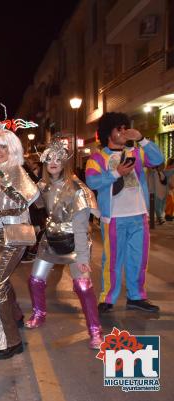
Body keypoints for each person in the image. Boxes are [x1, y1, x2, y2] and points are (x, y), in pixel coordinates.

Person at [25, 139, 102, 349]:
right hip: (50, 240)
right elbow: (33, 201)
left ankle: (95, 331)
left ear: (65, 163)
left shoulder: (79, 190)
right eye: (49, 158)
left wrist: (84, 259)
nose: (53, 162)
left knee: (84, 286)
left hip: (74, 244)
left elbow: (80, 228)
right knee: (35, 279)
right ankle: (39, 313)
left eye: (58, 158)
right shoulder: (43, 186)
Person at [85, 112, 163, 313]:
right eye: (118, 128)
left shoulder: (137, 152)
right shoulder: (97, 158)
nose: (123, 131)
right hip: (114, 219)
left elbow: (158, 159)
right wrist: (116, 173)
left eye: (124, 127)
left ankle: (136, 297)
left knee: (138, 258)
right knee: (112, 260)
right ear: (108, 132)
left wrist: (142, 139)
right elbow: (92, 181)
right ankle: (108, 298)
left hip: (139, 216)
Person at [0, 122, 39, 359]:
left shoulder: (14, 169)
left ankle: (11, 340)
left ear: (12, 148)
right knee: (0, 282)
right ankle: (14, 315)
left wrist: (1, 184)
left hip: (13, 235)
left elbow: (28, 198)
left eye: (2, 146)